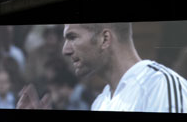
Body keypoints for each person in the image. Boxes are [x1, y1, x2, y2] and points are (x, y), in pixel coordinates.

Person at [17, 23, 187, 113]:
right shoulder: (100, 102)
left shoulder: (161, 85)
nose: (65, 50)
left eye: (72, 37)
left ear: (105, 39)